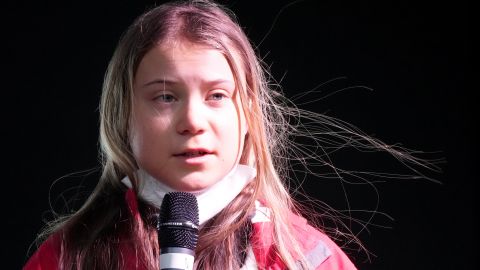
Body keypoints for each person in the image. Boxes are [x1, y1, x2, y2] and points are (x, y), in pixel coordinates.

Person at [23, 0, 434, 269]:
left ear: (248, 113)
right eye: (165, 97)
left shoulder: (306, 259)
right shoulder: (66, 258)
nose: (193, 121)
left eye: (217, 95)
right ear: (122, 115)